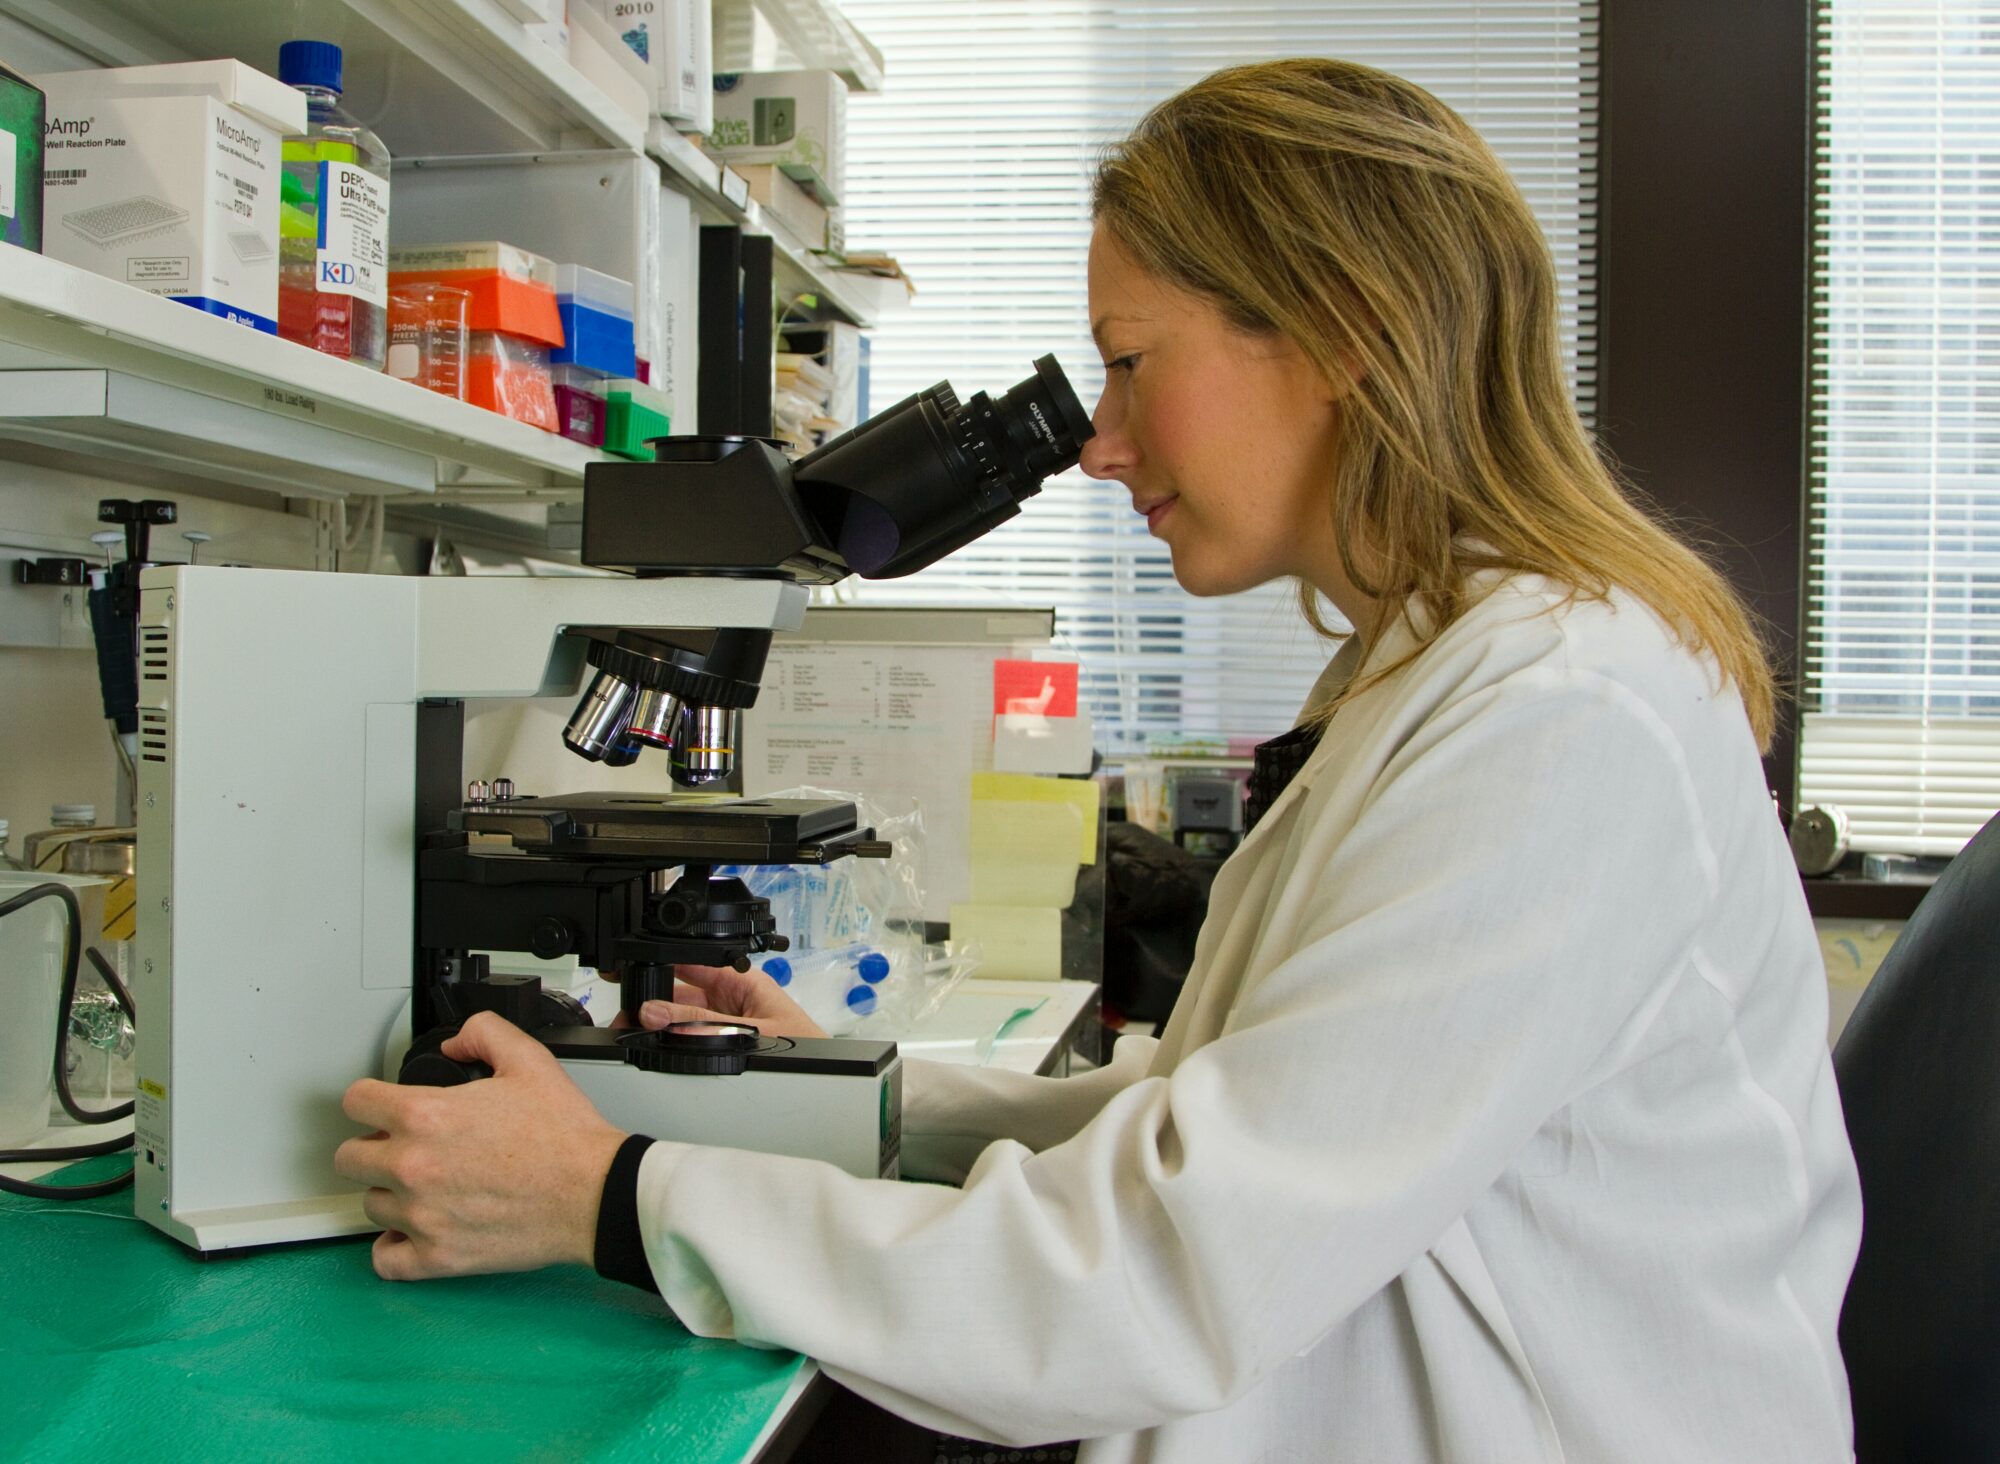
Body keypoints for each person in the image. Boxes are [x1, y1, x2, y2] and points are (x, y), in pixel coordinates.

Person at [334, 58, 1861, 1462]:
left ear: (1342, 336)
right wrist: (859, 1087)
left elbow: (1166, 1269)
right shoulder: (1458, 669)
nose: (1105, 442)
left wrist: (608, 1198)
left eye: (1131, 363)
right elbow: (1222, 1119)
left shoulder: (1559, 719)